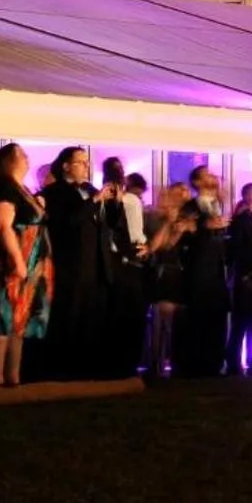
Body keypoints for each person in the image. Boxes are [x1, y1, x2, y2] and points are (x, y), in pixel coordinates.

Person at [0, 144, 50, 390]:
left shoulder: (22, 189)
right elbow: (3, 226)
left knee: (19, 320)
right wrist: (18, 261)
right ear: (8, 161)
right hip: (13, 261)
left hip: (33, 261)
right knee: (2, 317)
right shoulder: (4, 189)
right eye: (20, 154)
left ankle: (13, 377)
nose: (26, 158)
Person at [40, 147, 107, 381]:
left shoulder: (90, 190)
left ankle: (87, 366)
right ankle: (63, 369)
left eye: (87, 162)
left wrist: (112, 204)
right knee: (69, 314)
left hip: (93, 263)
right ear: (66, 166)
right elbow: (67, 222)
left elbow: (104, 225)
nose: (86, 167)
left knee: (90, 316)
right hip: (69, 264)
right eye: (80, 162)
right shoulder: (54, 192)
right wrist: (93, 202)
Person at [172, 167, 230, 379]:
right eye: (206, 175)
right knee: (199, 319)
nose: (212, 176)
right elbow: (182, 236)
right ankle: (195, 365)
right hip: (198, 274)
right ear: (197, 182)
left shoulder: (218, 205)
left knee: (217, 319)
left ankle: (215, 364)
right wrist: (204, 227)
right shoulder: (190, 207)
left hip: (217, 273)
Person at [99, 158, 147, 379]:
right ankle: (122, 364)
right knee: (125, 314)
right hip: (123, 258)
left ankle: (123, 363)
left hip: (124, 257)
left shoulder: (126, 199)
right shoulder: (120, 200)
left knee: (125, 314)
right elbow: (128, 232)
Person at [142, 182, 192, 379]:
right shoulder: (153, 217)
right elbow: (159, 246)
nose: (182, 197)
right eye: (178, 194)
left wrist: (182, 228)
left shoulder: (184, 217)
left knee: (173, 323)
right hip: (164, 273)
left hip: (181, 274)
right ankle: (156, 363)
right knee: (161, 322)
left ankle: (171, 362)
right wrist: (170, 226)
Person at [225, 183, 252, 376]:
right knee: (240, 323)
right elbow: (234, 250)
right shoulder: (240, 221)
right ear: (248, 196)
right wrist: (243, 275)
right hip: (245, 279)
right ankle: (233, 363)